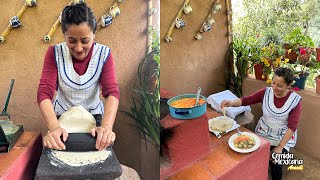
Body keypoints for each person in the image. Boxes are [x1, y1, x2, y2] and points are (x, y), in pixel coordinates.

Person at [37, 2, 119, 151]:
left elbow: (112, 92)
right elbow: (44, 92)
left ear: (94, 34)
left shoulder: (104, 54)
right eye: (72, 41)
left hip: (94, 116)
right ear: (64, 35)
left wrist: (106, 127)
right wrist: (54, 127)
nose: (79, 48)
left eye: (85, 40)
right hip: (61, 118)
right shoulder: (54, 53)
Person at [221, 67, 302, 180]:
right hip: (264, 132)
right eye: (273, 83)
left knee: (275, 162)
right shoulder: (266, 92)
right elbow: (247, 100)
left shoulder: (295, 101)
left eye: (280, 86)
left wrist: (279, 147)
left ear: (288, 85)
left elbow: (292, 127)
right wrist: (230, 103)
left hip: (282, 137)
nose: (274, 88)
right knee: (255, 155)